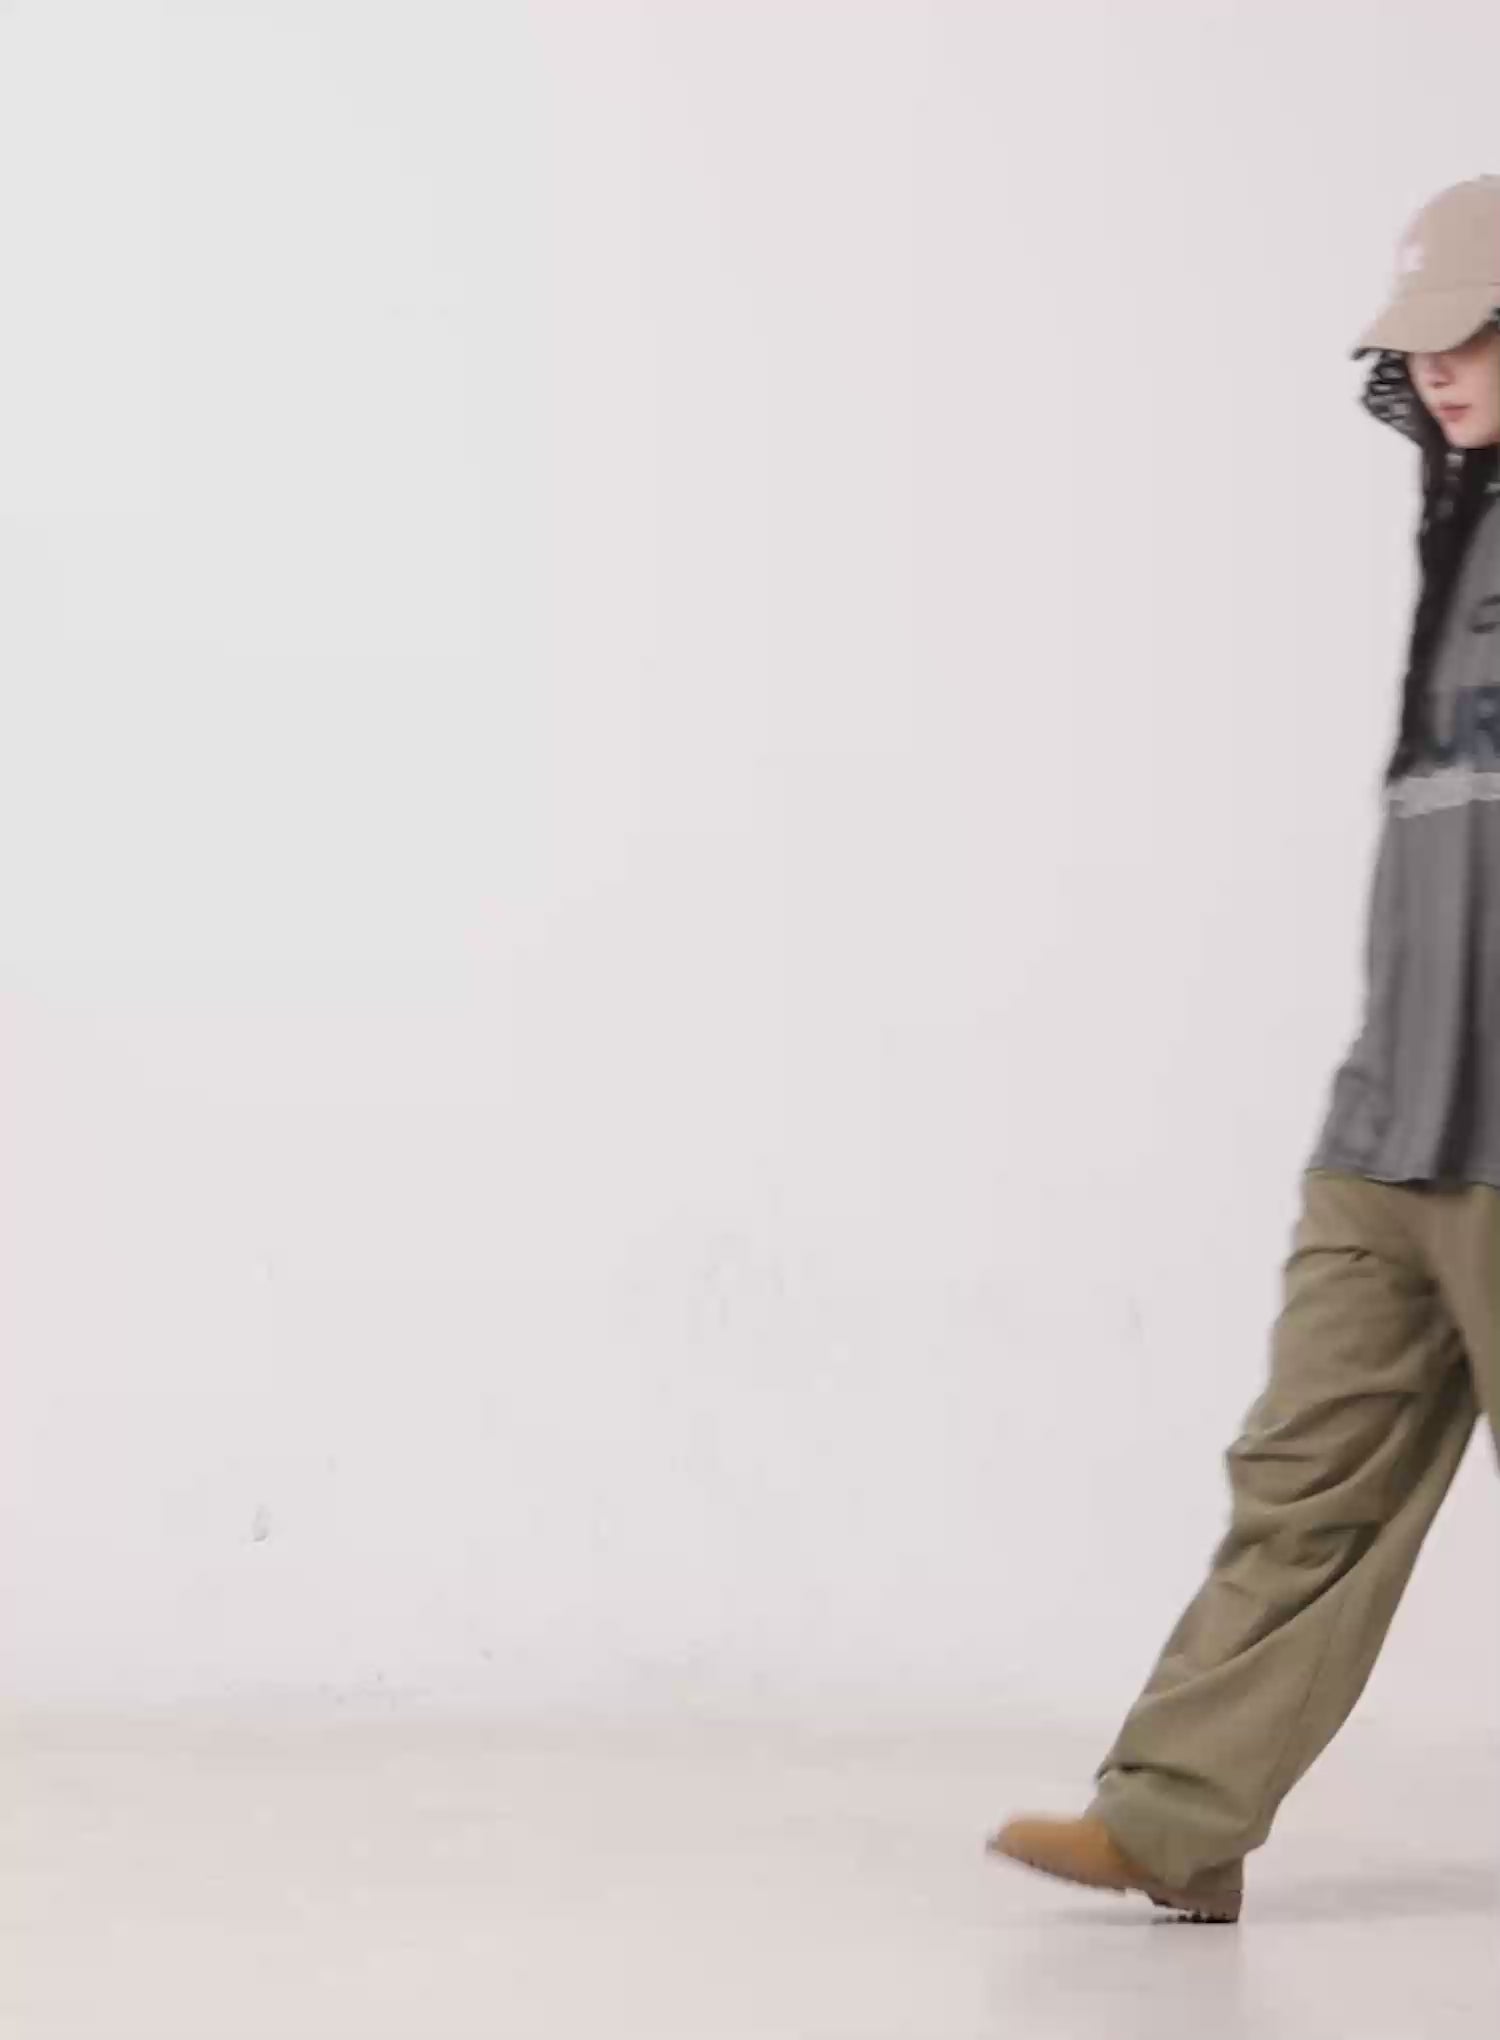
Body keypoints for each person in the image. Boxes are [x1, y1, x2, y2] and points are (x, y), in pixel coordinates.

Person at [985, 175, 1500, 1926]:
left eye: (1471, 333)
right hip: (1394, 1129)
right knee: (1301, 1479)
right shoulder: (1456, 533)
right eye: (1419, 344)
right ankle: (1176, 1819)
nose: (1438, 368)